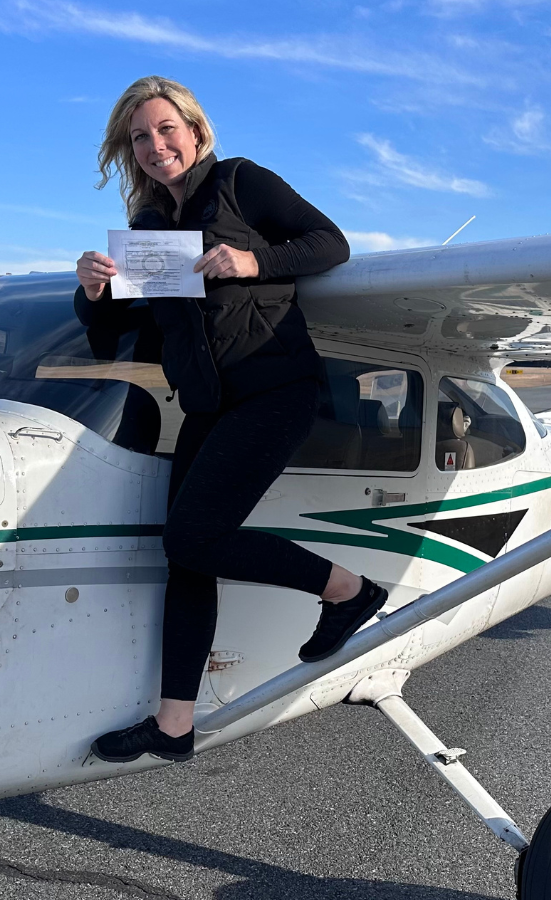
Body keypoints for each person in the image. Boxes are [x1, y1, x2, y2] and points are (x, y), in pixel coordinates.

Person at [74, 77, 387, 765]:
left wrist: (255, 259)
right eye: (139, 138)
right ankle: (174, 725)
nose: (156, 146)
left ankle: (349, 591)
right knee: (183, 556)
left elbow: (330, 244)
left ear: (194, 130)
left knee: (194, 536)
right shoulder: (150, 231)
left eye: (165, 130)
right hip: (208, 404)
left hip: (276, 388)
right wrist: (93, 290)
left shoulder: (243, 183)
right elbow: (113, 331)